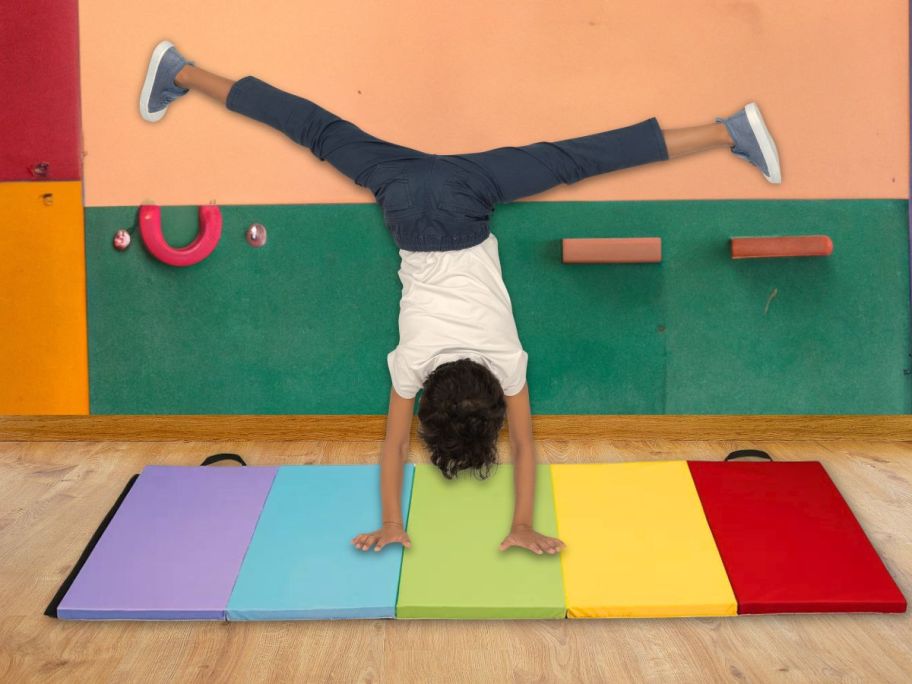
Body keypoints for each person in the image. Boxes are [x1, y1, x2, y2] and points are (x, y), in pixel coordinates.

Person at [139, 40, 781, 556]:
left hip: (467, 196)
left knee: (576, 159)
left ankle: (729, 130)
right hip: (407, 201)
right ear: (429, 407)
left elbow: (528, 448)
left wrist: (524, 522)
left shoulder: (507, 364)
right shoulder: (410, 364)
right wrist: (391, 522)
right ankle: (183, 70)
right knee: (314, 128)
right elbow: (391, 448)